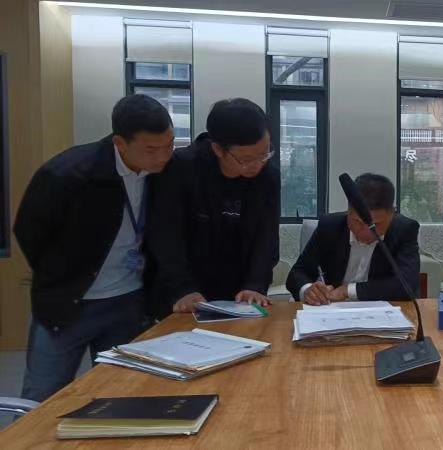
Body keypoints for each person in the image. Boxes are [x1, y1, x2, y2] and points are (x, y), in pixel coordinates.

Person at [14, 94, 174, 401]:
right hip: (68, 304)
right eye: (151, 149)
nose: (163, 157)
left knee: (122, 393)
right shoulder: (69, 173)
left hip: (129, 301)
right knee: (43, 395)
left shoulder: (165, 173)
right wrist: (64, 274)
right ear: (120, 143)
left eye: (168, 145)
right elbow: (29, 231)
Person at [148, 98, 279, 313]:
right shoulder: (180, 169)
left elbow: (267, 235)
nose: (258, 165)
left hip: (239, 293)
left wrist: (255, 284)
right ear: (218, 149)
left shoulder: (268, 176)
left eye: (265, 153)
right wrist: (183, 288)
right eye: (246, 159)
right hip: (184, 292)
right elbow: (166, 236)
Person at [286, 173, 420, 304]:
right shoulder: (330, 226)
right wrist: (308, 290)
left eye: (375, 225)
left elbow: (407, 284)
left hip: (380, 310)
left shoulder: (404, 230)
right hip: (331, 308)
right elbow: (297, 273)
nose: (366, 233)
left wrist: (348, 291)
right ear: (348, 211)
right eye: (357, 222)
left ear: (392, 213)